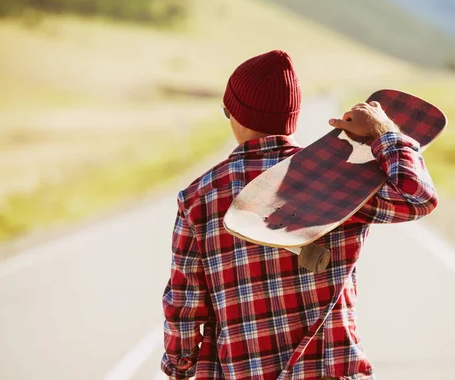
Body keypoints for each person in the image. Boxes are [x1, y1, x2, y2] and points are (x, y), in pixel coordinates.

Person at [161, 50, 438, 379]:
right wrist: (385, 133)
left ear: (234, 114)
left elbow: (185, 302)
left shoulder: (198, 199)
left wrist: (180, 364)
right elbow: (416, 198)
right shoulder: (338, 178)